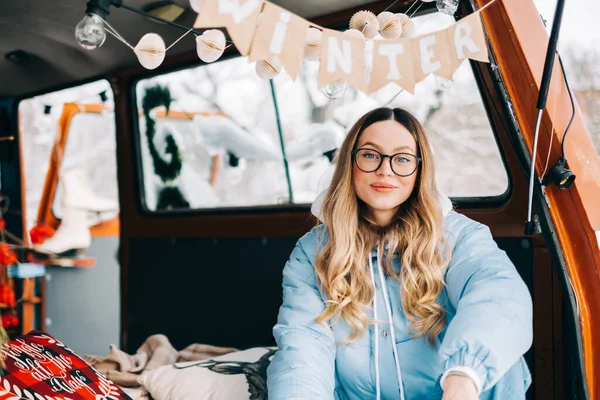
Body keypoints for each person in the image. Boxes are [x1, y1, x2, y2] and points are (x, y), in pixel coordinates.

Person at [266, 107, 533, 400]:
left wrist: (464, 377)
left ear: (419, 170)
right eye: (370, 155)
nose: (385, 169)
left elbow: (498, 295)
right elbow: (302, 347)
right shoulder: (312, 251)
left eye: (402, 159)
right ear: (349, 163)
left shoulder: (460, 238)